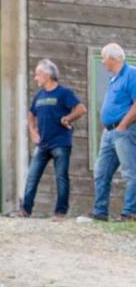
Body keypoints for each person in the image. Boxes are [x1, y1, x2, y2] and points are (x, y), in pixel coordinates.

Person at [10, 59, 85, 220]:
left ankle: (60, 213)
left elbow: (81, 109)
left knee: (61, 177)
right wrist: (33, 131)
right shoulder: (39, 95)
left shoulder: (64, 93)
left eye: (37, 74)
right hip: (43, 143)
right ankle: (25, 211)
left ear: (47, 75)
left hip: (60, 143)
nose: (35, 78)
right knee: (32, 176)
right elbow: (31, 114)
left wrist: (68, 118)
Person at [87, 43, 136, 223]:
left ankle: (130, 213)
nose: (102, 62)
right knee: (101, 172)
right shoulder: (113, 78)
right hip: (109, 133)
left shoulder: (131, 74)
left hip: (124, 131)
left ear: (112, 58)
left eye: (103, 58)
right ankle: (100, 212)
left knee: (130, 172)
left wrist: (123, 125)